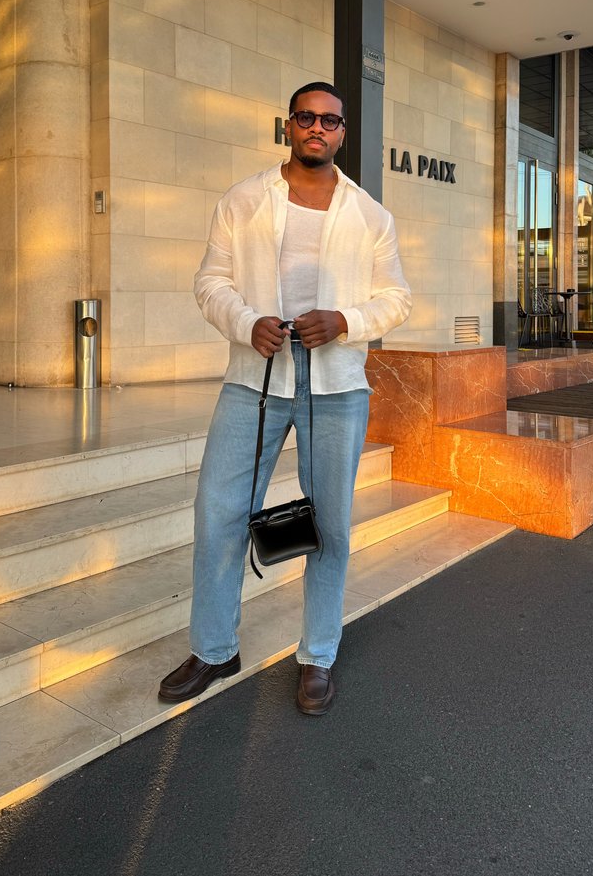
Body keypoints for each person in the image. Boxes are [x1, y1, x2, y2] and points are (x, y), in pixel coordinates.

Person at [158, 82, 411, 715]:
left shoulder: (370, 215)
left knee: (330, 527)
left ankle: (317, 654)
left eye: (330, 120)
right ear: (289, 126)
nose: (317, 128)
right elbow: (210, 282)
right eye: (307, 117)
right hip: (255, 376)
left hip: (336, 386)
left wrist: (347, 319)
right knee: (217, 512)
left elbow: (396, 299)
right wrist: (247, 323)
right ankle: (215, 649)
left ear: (343, 133)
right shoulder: (243, 201)